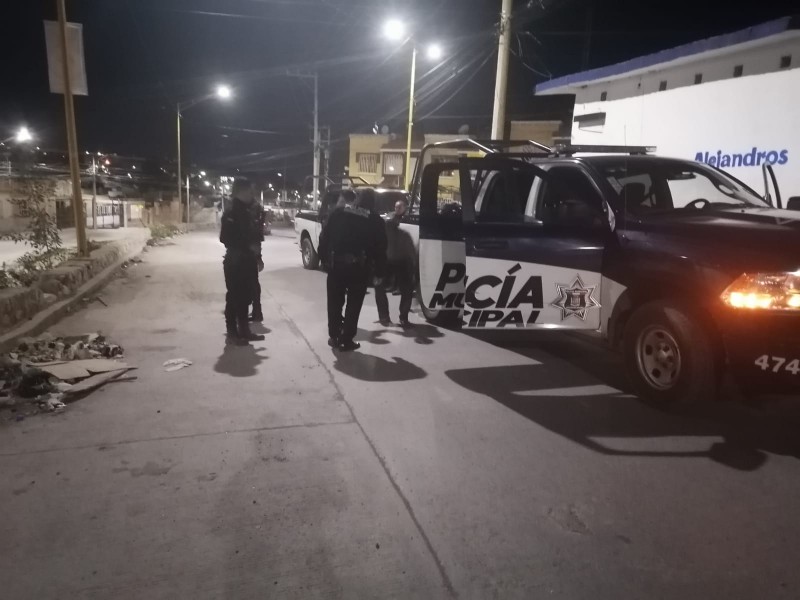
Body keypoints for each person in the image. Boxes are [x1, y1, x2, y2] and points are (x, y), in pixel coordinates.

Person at [319, 188, 386, 351]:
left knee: (334, 302)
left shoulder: (338, 212)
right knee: (353, 305)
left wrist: (325, 259)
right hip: (358, 268)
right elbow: (380, 249)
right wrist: (379, 272)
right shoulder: (375, 220)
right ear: (373, 203)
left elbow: (324, 237)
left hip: (336, 265)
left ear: (357, 199)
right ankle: (346, 339)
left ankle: (334, 335)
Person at [219, 178, 265, 344]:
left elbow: (254, 234)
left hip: (248, 260)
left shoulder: (247, 210)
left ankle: (244, 331)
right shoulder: (231, 212)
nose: (252, 195)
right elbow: (224, 238)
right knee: (234, 297)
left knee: (245, 297)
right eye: (250, 191)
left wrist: (257, 255)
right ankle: (232, 333)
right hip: (235, 261)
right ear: (241, 191)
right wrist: (246, 245)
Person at [375, 199, 416, 327]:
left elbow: (411, 253)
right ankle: (401, 317)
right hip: (395, 262)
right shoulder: (403, 234)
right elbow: (411, 254)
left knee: (381, 286)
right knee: (405, 290)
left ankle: (386, 316)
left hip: (396, 262)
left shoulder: (398, 233)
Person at [249, 204, 266, 323]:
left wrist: (259, 258)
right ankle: (257, 311)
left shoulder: (251, 219)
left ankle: (256, 311)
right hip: (253, 253)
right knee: (254, 283)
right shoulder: (256, 220)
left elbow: (256, 240)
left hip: (248, 255)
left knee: (250, 284)